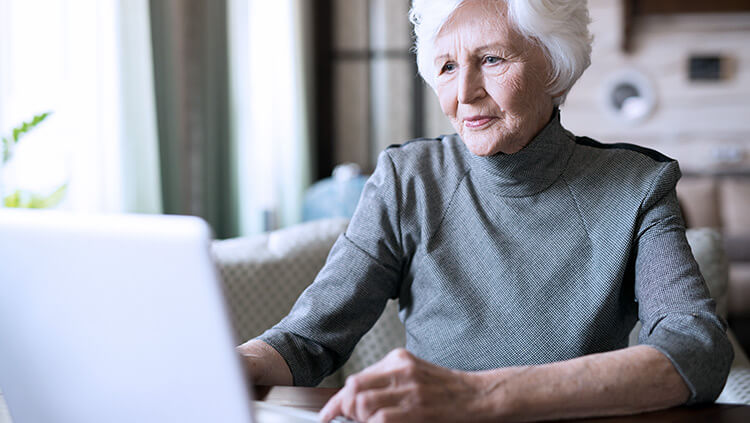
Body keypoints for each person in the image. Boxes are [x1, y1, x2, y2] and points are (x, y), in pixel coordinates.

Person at [237, 0, 734, 421]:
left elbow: (698, 350)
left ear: (554, 65)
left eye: (492, 59)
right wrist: (234, 362)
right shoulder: (406, 179)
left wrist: (479, 397)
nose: (463, 94)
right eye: (447, 67)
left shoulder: (636, 185)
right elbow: (307, 340)